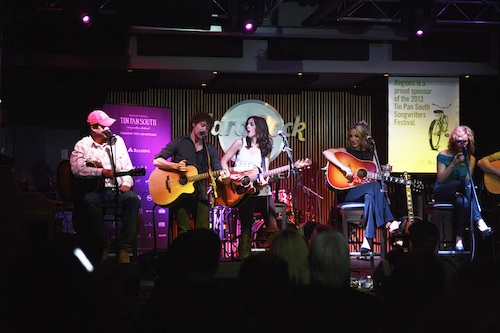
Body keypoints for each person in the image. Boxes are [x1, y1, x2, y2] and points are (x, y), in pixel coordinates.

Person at [70, 110, 140, 264]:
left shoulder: (117, 141)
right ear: (94, 127)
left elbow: (126, 166)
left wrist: (127, 183)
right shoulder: (82, 145)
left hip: (117, 190)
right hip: (97, 191)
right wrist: (100, 172)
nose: (108, 130)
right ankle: (104, 243)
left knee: (133, 199)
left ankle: (123, 247)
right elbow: (77, 169)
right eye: (104, 126)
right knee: (88, 200)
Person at [323, 120, 398, 255]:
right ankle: (389, 221)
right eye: (351, 136)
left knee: (371, 196)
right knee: (374, 188)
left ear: (363, 137)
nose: (353, 139)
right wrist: (344, 168)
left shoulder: (371, 152)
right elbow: (327, 152)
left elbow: (375, 175)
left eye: (356, 136)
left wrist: (385, 171)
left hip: (366, 193)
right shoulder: (346, 152)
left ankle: (367, 240)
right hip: (348, 192)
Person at [153, 112, 230, 236]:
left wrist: (225, 178)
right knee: (184, 231)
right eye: (202, 125)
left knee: (202, 232)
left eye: (207, 128)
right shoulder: (180, 142)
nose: (204, 129)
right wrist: (175, 166)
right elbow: (157, 161)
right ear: (194, 124)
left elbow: (218, 172)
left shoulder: (210, 149)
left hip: (200, 194)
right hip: (179, 194)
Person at [220, 116, 279, 260]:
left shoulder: (266, 147)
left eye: (251, 124)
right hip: (243, 191)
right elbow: (224, 160)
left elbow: (265, 170)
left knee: (272, 225)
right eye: (247, 124)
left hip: (261, 190)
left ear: (259, 127)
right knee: (246, 226)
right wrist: (230, 176)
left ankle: (277, 257)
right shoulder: (240, 143)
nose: (247, 127)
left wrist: (264, 180)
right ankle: (244, 260)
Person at [433, 125, 492, 251]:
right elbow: (441, 179)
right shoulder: (443, 155)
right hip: (442, 191)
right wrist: (453, 163)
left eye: (465, 142)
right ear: (454, 141)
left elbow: (467, 181)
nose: (462, 144)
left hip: (459, 193)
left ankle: (459, 239)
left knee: (464, 202)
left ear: (469, 142)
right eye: (459, 142)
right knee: (464, 184)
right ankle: (479, 220)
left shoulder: (471, 159)